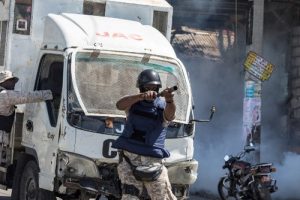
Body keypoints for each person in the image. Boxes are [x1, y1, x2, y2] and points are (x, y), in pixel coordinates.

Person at [112, 69, 177, 200]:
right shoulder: (133, 103)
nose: (151, 90)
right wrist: (141, 97)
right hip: (129, 160)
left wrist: (169, 100)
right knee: (130, 197)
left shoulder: (163, 106)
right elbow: (119, 105)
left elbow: (170, 116)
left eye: (154, 87)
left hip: (152, 164)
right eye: (148, 87)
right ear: (141, 87)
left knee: (163, 197)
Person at [0, 70, 53, 148]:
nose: (14, 83)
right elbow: (27, 97)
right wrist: (49, 93)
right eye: (11, 80)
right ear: (3, 82)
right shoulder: (5, 95)